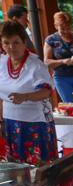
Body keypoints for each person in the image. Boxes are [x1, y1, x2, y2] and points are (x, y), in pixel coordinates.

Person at [0, 21, 57, 165]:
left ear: (25, 42)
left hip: (34, 123)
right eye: (6, 43)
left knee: (37, 168)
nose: (11, 47)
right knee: (15, 168)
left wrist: (25, 96)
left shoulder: (35, 65)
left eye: (16, 42)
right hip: (10, 122)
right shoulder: (2, 63)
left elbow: (46, 91)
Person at [43, 11, 73, 103]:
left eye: (68, 28)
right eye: (62, 29)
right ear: (55, 26)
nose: (66, 31)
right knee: (70, 104)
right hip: (62, 78)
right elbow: (47, 61)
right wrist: (63, 61)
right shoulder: (51, 40)